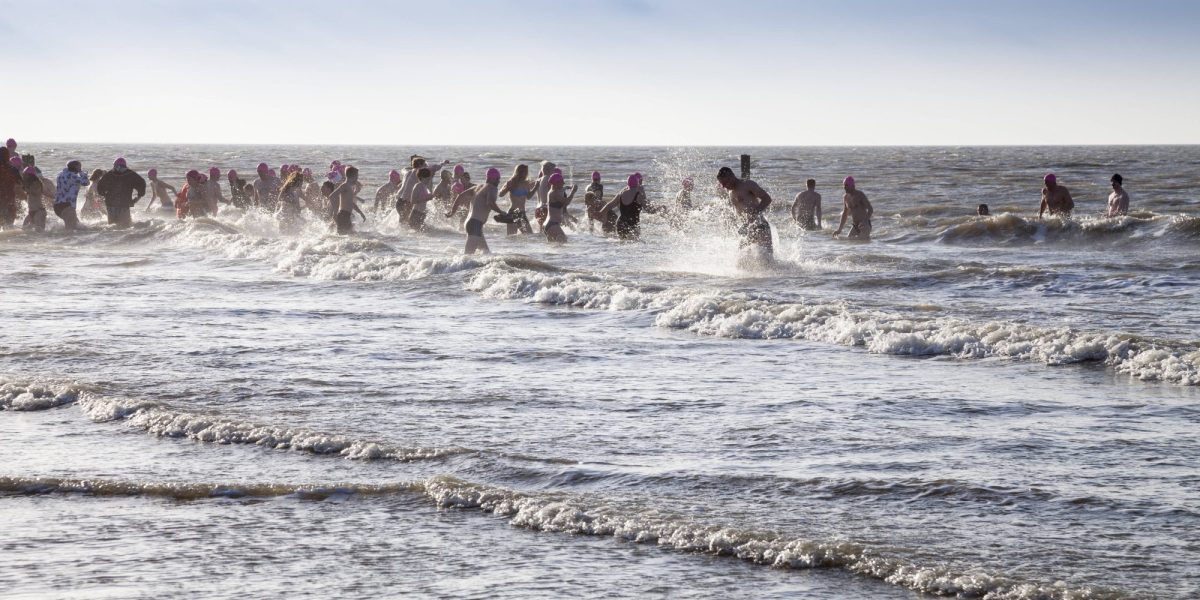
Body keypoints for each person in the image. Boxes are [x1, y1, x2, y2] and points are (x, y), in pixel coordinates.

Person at [717, 166, 774, 256]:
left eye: (725, 183)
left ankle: (786, 270)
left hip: (760, 226)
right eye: (721, 184)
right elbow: (738, 211)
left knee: (767, 261)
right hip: (747, 229)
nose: (724, 186)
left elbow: (767, 199)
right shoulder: (730, 193)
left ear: (731, 177)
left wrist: (756, 211)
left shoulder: (747, 184)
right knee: (741, 263)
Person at [446, 167, 505, 254]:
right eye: (498, 179)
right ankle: (446, 267)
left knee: (486, 253)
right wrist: (501, 212)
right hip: (475, 224)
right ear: (492, 178)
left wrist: (452, 212)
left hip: (470, 223)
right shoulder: (492, 188)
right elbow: (490, 203)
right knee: (467, 257)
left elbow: (460, 196)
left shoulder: (477, 187)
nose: (499, 181)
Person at [96, 157, 146, 228]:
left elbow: (100, 187)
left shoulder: (109, 174)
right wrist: (137, 198)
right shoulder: (131, 174)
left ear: (115, 165)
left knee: (111, 228)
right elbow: (142, 184)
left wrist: (104, 195)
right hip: (124, 204)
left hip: (110, 204)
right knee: (125, 227)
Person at [598, 174, 646, 241]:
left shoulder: (621, 194)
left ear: (627, 183)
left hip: (620, 224)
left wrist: (601, 212)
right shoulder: (639, 195)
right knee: (636, 246)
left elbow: (610, 205)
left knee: (622, 244)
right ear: (637, 183)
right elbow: (647, 207)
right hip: (633, 225)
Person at [832, 176, 873, 241]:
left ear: (852, 185)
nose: (844, 187)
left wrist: (865, 221)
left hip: (864, 225)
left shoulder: (860, 195)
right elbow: (845, 214)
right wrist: (839, 230)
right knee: (849, 242)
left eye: (846, 185)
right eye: (844, 185)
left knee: (860, 242)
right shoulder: (845, 197)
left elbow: (870, 209)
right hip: (855, 226)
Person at [499, 164, 535, 235]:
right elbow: (500, 194)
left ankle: (519, 246)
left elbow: (528, 197)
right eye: (525, 172)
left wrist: (536, 187)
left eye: (526, 172)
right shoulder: (511, 182)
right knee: (512, 237)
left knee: (529, 235)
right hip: (513, 212)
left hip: (522, 213)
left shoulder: (526, 183)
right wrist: (507, 188)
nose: (526, 174)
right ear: (519, 172)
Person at [53, 160, 89, 231]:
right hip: (67, 205)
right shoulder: (72, 176)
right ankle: (66, 241)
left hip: (57, 205)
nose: (80, 168)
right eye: (80, 166)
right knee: (70, 231)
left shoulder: (60, 174)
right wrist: (82, 173)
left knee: (80, 227)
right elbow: (86, 182)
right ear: (76, 167)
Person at [329, 166, 366, 235]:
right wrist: (335, 211)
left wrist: (361, 213)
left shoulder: (349, 187)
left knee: (351, 236)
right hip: (343, 215)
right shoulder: (344, 186)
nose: (357, 178)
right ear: (353, 176)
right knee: (345, 237)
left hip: (346, 215)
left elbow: (351, 203)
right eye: (357, 176)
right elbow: (331, 196)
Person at [544, 172, 577, 243]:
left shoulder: (553, 191)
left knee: (554, 249)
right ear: (556, 183)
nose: (563, 183)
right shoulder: (554, 193)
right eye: (562, 182)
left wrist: (567, 187)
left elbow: (561, 189)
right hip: (553, 225)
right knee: (564, 243)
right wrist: (573, 192)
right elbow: (567, 202)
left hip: (551, 225)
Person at [533, 161, 556, 232]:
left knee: (541, 231)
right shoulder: (548, 178)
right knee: (548, 231)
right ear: (549, 170)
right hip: (545, 208)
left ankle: (541, 243)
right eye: (553, 170)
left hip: (538, 209)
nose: (554, 172)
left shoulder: (538, 180)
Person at [0, 147, 19, 227]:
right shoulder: (13, 170)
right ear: (8, 156)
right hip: (10, 199)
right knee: (9, 225)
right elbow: (22, 184)